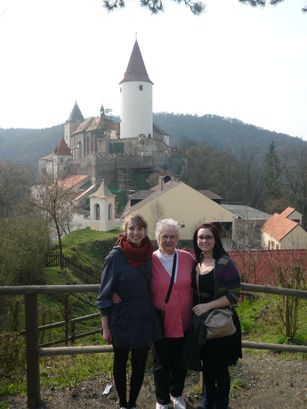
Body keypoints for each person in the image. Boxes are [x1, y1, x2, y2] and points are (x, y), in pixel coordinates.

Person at [96, 214, 161, 409]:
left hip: (143, 317)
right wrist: (105, 327)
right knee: (121, 362)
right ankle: (123, 403)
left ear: (145, 231)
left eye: (139, 228)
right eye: (131, 228)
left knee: (140, 364)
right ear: (125, 230)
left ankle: (132, 402)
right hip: (122, 318)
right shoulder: (116, 256)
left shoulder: (151, 255)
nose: (135, 232)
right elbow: (104, 293)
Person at [191, 223, 242, 409]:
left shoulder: (225, 263)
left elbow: (234, 294)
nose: (204, 241)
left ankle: (222, 404)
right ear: (196, 241)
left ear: (216, 240)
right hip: (203, 325)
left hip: (222, 324)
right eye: (201, 237)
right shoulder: (196, 262)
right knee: (207, 365)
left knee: (220, 368)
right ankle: (207, 401)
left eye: (208, 237)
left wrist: (207, 306)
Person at [151, 218, 194, 409]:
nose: (168, 240)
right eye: (164, 236)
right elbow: (134, 281)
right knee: (161, 363)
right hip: (160, 321)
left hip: (184, 320)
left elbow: (202, 278)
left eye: (172, 236)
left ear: (178, 239)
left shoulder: (187, 258)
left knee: (180, 362)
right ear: (157, 238)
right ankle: (162, 400)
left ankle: (176, 394)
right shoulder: (150, 260)